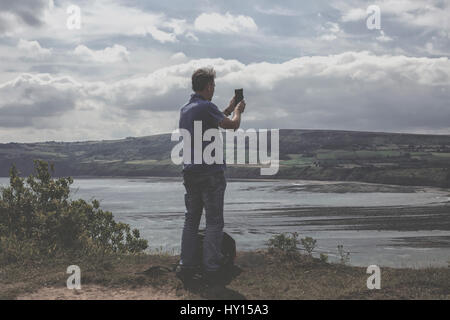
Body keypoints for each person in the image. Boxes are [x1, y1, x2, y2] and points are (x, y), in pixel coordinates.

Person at [176, 67, 246, 284]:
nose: (214, 89)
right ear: (208, 86)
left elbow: (214, 118)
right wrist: (239, 111)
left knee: (191, 220)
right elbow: (233, 126)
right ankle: (211, 267)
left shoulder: (186, 108)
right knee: (214, 222)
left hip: (191, 172)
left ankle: (186, 265)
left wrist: (228, 107)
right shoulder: (207, 107)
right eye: (213, 86)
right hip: (210, 173)